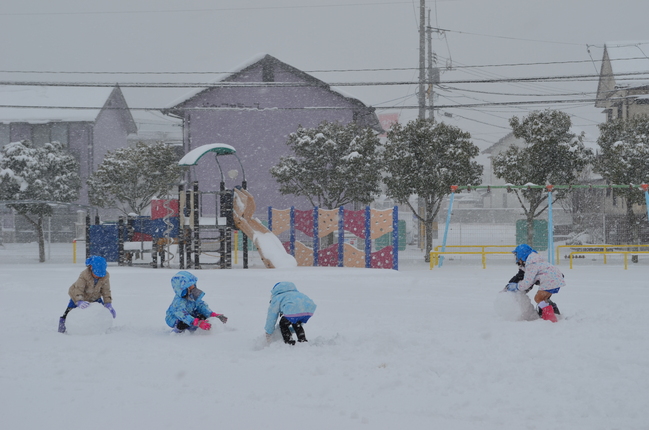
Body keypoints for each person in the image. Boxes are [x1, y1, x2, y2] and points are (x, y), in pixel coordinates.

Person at [504, 244, 564, 322]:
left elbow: (527, 282)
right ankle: (553, 312)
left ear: (521, 256)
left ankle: (550, 318)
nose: (516, 260)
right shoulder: (535, 260)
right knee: (544, 299)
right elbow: (522, 276)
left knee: (538, 298)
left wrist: (516, 287)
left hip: (549, 280)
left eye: (517, 257)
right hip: (556, 278)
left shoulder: (531, 264)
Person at [58, 255, 116, 333]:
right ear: (91, 268)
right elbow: (78, 289)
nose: (98, 277)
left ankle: (104, 327)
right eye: (97, 274)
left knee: (102, 312)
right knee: (68, 312)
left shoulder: (105, 277)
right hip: (78, 295)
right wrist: (79, 300)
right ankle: (62, 329)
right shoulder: (84, 275)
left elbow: (106, 290)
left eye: (101, 275)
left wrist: (108, 303)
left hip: (95, 296)